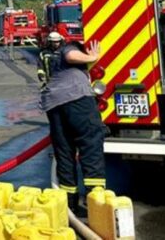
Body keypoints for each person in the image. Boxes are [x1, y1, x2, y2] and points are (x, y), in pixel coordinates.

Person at [39, 32, 105, 214]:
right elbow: (71, 55)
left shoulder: (56, 60)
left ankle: (69, 204)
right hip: (76, 100)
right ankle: (97, 203)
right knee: (90, 144)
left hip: (53, 104)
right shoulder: (70, 48)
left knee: (65, 151)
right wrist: (93, 56)